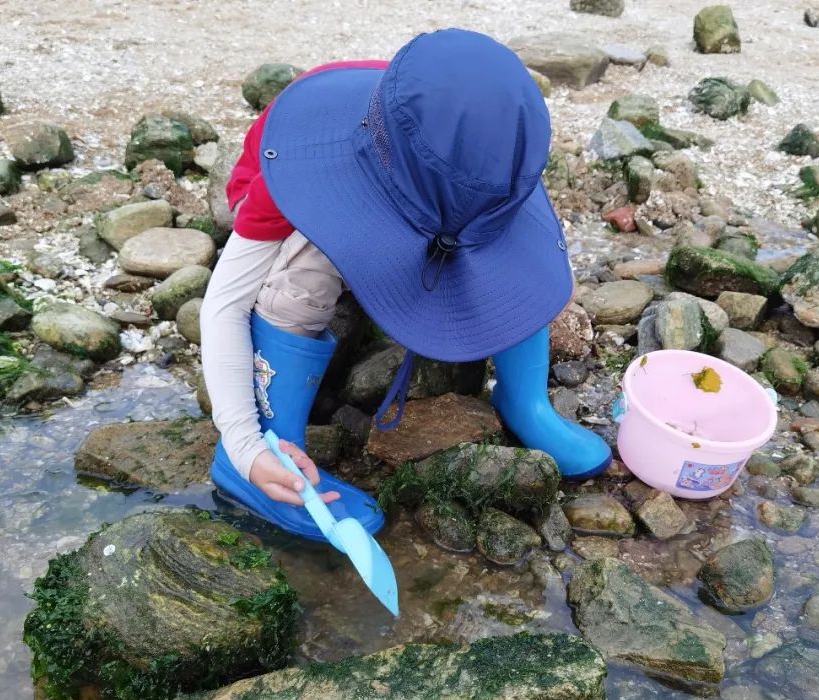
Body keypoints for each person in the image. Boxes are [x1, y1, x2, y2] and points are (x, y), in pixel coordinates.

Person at [200, 28, 612, 541]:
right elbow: (223, 307)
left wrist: (542, 288)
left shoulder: (491, 145)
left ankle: (524, 403)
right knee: (309, 262)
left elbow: (533, 254)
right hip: (323, 205)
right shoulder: (299, 171)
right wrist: (244, 445)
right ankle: (277, 450)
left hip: (427, 202)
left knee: (502, 239)